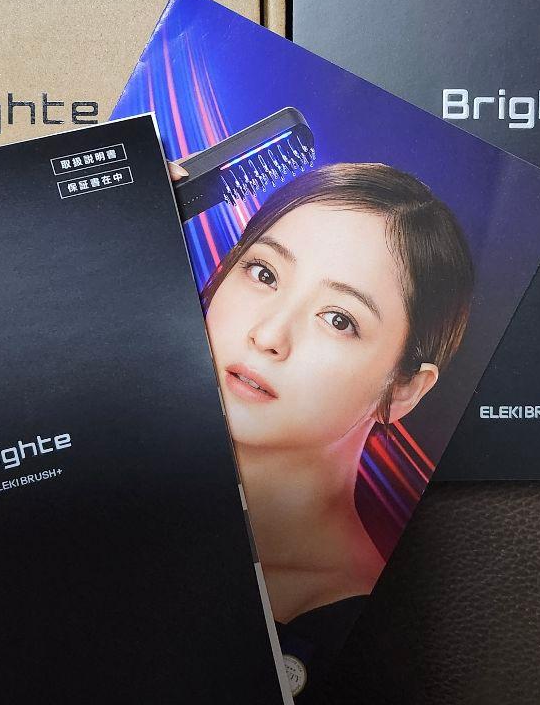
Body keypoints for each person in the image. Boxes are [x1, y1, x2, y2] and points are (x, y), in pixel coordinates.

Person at [198, 162, 474, 692]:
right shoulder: (102, 483)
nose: (269, 336)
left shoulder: (372, 634)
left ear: (404, 389)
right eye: (264, 274)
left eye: (339, 319)